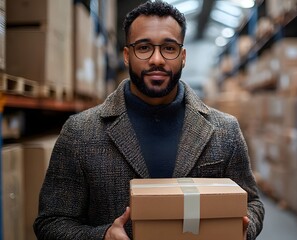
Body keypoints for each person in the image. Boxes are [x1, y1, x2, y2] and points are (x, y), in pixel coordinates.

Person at [34, 1, 264, 239]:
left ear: (183, 56)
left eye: (169, 48)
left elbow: (253, 203)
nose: (156, 59)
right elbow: (51, 222)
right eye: (144, 47)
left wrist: (241, 230)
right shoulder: (80, 132)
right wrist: (102, 237)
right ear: (127, 55)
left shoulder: (224, 130)